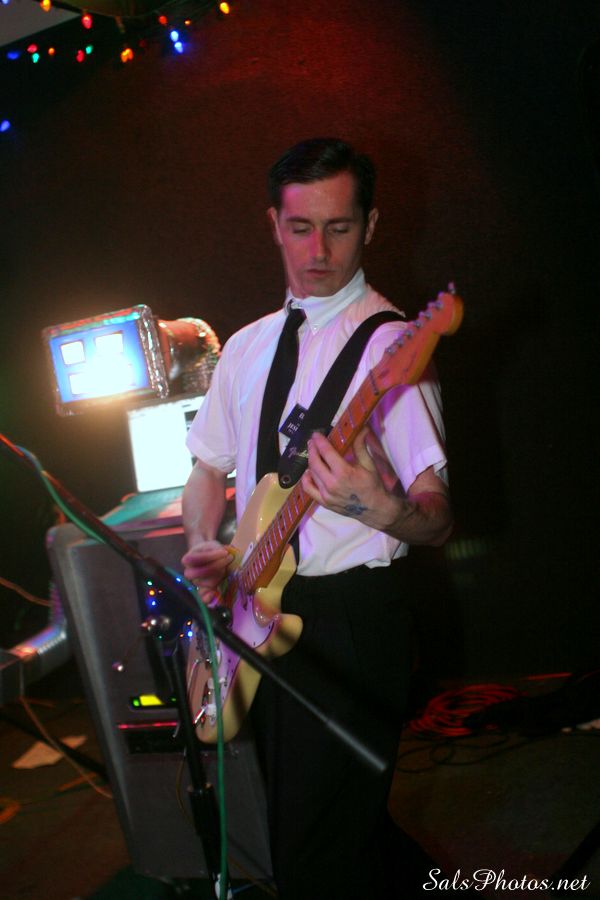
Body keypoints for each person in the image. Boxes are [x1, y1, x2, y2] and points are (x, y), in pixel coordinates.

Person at [181, 137, 453, 899]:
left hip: (351, 621)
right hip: (256, 607)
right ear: (274, 224)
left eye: (340, 227)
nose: (319, 250)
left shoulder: (394, 347)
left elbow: (438, 518)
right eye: (301, 228)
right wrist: (202, 543)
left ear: (371, 225)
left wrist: (383, 508)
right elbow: (206, 468)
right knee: (337, 830)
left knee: (313, 849)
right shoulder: (245, 347)